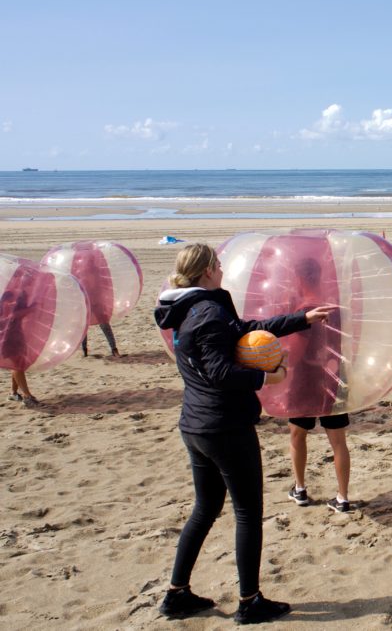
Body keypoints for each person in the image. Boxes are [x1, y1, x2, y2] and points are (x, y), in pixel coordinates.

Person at [154, 243, 333, 624]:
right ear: (205, 272)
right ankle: (250, 601)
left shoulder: (186, 309)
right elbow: (221, 372)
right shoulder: (209, 312)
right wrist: (268, 377)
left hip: (196, 425)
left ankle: (177, 594)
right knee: (248, 512)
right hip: (225, 427)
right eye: (217, 265)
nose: (221, 269)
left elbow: (246, 331)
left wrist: (302, 318)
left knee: (205, 509)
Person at [284, 258, 353, 514]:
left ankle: (300, 488)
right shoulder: (335, 306)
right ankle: (342, 497)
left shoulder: (304, 308)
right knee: (338, 441)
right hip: (334, 377)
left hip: (305, 379)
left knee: (297, 434)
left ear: (299, 278)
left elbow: (297, 350)